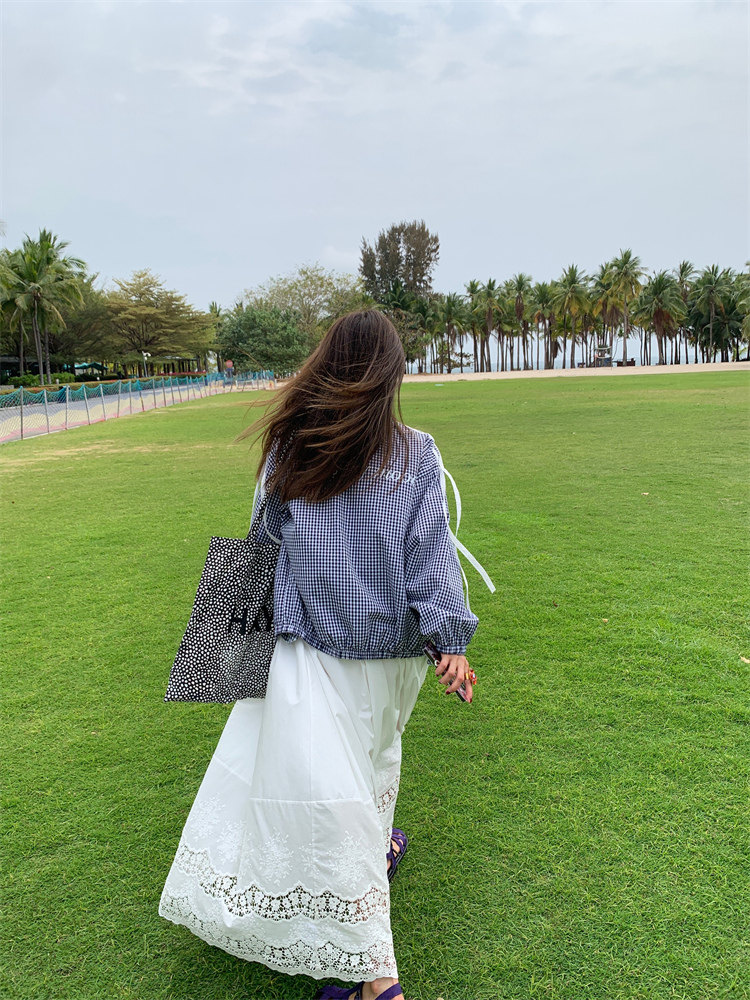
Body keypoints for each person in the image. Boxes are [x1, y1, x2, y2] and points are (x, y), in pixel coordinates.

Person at [158, 310, 491, 1000]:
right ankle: (376, 969)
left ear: (327, 365)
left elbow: (264, 542)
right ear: (391, 375)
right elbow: (428, 553)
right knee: (346, 780)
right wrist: (449, 639)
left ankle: (373, 885)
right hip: (362, 653)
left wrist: (451, 638)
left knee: (355, 774)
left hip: (340, 651)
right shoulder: (404, 451)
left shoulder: (301, 446)